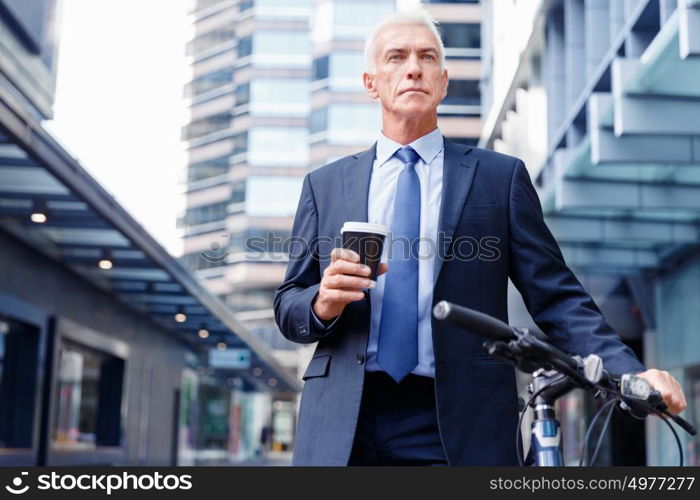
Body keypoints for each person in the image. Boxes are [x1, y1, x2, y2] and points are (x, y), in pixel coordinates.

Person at [273, 9, 687, 466]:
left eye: (426, 57)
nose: (413, 67)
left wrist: (632, 373)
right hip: (344, 423)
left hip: (462, 423)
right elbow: (288, 304)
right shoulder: (325, 185)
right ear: (371, 82)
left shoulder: (499, 178)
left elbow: (558, 297)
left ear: (444, 81)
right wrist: (322, 303)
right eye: (397, 57)